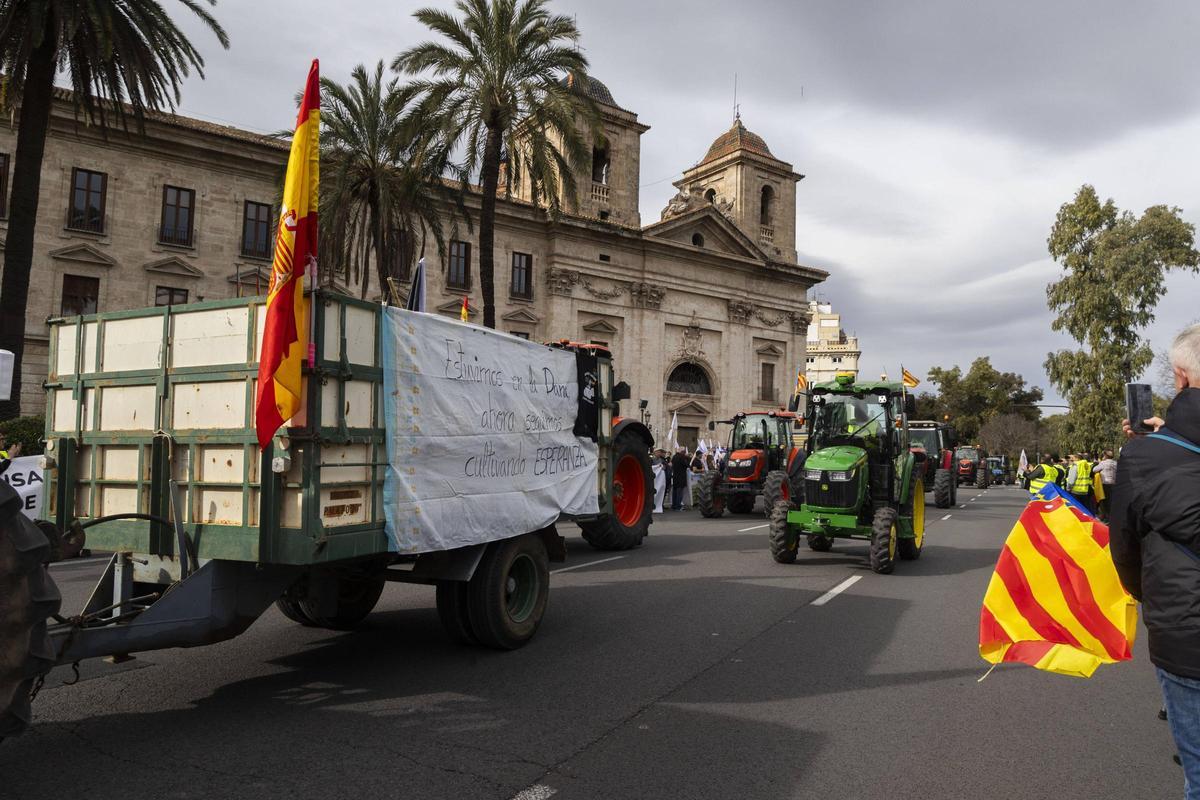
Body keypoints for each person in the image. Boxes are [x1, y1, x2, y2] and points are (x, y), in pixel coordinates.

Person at [1111, 323, 1200, 799]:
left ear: (1180, 376)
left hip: (1186, 634)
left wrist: (1151, 598)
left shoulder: (1144, 457)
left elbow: (1123, 548)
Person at [1093, 449, 1118, 521]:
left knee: (1104, 501)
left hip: (1105, 484)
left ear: (1105, 456)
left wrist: (1099, 463)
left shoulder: (1103, 463)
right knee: (1111, 501)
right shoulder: (1115, 463)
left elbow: (1094, 470)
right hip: (1114, 484)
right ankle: (1112, 517)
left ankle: (1105, 517)